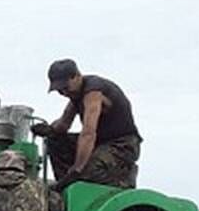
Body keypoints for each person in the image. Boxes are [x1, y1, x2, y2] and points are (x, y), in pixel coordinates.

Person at [32, 59, 142, 189]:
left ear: (77, 76)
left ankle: (122, 180)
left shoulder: (93, 91)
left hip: (123, 144)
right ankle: (65, 187)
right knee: (56, 141)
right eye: (60, 91)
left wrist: (77, 168)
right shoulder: (76, 96)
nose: (65, 93)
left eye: (66, 88)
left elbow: (88, 133)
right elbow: (63, 124)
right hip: (100, 143)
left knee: (87, 171)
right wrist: (49, 130)